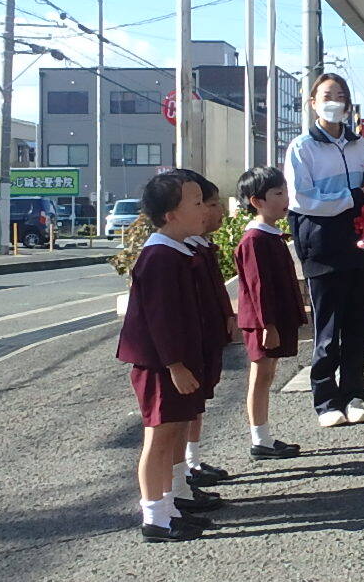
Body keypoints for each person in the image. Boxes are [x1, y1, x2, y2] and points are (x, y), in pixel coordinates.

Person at [285, 73, 364, 429]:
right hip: (322, 246)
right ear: (313, 102)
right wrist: (350, 198)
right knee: (327, 331)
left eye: (341, 96)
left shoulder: (361, 146)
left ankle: (354, 396)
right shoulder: (302, 148)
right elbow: (301, 199)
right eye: (327, 95)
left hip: (360, 244)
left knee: (359, 328)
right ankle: (326, 401)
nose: (335, 102)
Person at [114, 170, 212, 543]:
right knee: (158, 439)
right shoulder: (159, 257)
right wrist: (175, 364)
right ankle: (154, 516)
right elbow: (160, 319)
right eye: (196, 203)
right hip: (162, 366)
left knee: (171, 435)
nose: (204, 210)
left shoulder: (177, 251)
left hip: (176, 363)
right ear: (170, 215)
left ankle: (169, 508)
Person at [235, 165, 305, 461]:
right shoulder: (254, 239)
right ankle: (260, 439)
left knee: (267, 374)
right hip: (263, 323)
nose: (285, 198)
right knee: (261, 376)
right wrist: (268, 324)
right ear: (257, 201)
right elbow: (257, 287)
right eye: (278, 193)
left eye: (285, 191)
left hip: (271, 320)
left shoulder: (270, 235)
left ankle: (263, 437)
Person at [181, 173, 235, 495]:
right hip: (192, 340)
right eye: (209, 204)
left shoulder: (202, 247)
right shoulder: (181, 252)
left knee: (199, 401)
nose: (216, 211)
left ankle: (193, 460)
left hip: (208, 336)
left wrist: (227, 316)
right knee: (187, 406)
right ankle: (183, 471)